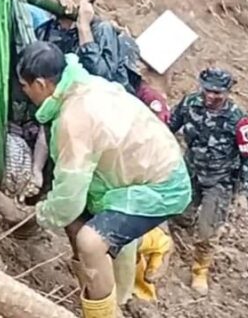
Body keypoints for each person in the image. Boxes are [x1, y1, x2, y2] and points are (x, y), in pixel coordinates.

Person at [18, 42, 191, 318]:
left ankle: (103, 314)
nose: (25, 93)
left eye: (24, 87)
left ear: (40, 84)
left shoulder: (75, 118)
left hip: (160, 184)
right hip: (129, 172)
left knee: (91, 242)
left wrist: (40, 214)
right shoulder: (80, 84)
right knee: (79, 224)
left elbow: (68, 201)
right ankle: (105, 285)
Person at [169, 67, 248, 295]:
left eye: (217, 93)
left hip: (219, 181)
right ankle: (181, 231)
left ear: (227, 93)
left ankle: (200, 269)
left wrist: (245, 192)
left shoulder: (238, 120)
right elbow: (169, 126)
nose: (210, 96)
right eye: (207, 90)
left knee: (207, 231)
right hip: (190, 171)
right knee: (179, 214)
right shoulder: (190, 103)